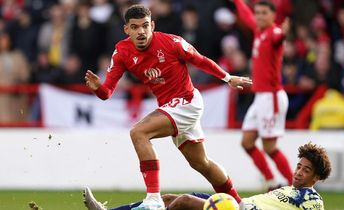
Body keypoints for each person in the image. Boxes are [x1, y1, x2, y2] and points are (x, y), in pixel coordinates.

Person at [84, 4, 252, 210]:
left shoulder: (171, 42)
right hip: (170, 107)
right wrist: (97, 88)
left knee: (139, 133)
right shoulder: (121, 52)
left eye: (145, 26)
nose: (141, 32)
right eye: (135, 27)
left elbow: (200, 60)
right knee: (201, 163)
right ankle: (242, 205)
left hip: (187, 102)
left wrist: (228, 78)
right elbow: (106, 93)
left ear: (152, 26)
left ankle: (153, 199)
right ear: (126, 30)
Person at [83, 142, 332, 210]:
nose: (298, 173)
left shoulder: (311, 199)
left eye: (306, 170)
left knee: (182, 204)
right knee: (167, 199)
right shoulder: (286, 191)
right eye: (299, 166)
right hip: (237, 205)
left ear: (316, 178)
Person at [231, 0, 293, 189]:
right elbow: (247, 16)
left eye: (264, 13)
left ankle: (296, 186)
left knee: (269, 147)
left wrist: (284, 33)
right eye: (258, 12)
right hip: (260, 98)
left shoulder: (273, 33)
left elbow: (279, 38)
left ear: (273, 16)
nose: (259, 16)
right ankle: (272, 182)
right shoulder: (260, 31)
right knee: (247, 142)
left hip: (272, 97)